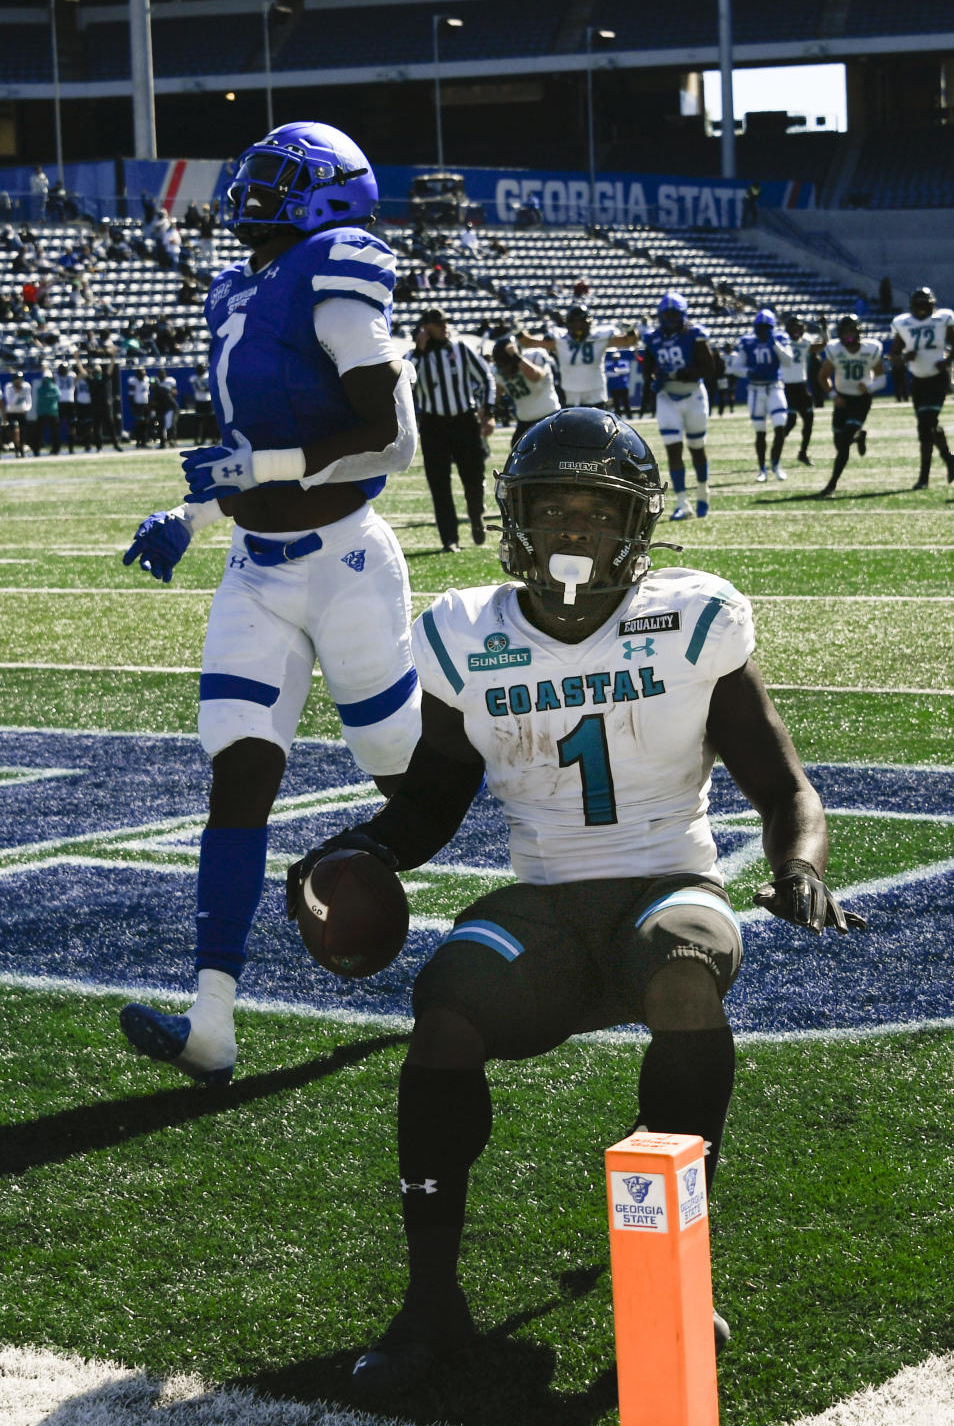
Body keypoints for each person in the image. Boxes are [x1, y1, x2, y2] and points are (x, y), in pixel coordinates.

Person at [286, 407, 865, 1399]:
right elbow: (430, 802)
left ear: (634, 524)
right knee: (445, 1011)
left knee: (684, 981)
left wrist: (801, 860)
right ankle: (432, 1303)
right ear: (514, 518)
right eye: (550, 508)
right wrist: (360, 849)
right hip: (545, 902)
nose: (571, 529)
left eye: (595, 510)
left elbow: (784, 787)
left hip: (669, 884)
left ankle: (683, 1273)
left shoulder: (691, 618)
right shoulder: (469, 634)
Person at [118, 120, 422, 1085]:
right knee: (239, 777)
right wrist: (191, 512)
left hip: (346, 564)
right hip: (256, 567)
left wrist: (272, 465)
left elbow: (393, 439)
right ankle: (213, 1020)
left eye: (281, 175)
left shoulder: (337, 268)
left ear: (334, 193)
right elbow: (242, 450)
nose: (255, 186)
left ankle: (522, 917)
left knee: (399, 770)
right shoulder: (236, 290)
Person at [406, 308, 496, 551]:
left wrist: (488, 412)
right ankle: (449, 539)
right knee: (439, 484)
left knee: (474, 478)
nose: (444, 326)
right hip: (433, 425)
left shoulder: (460, 348)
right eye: (438, 323)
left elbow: (486, 377)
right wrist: (418, 351)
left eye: (445, 322)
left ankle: (476, 515)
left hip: (464, 421)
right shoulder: (414, 357)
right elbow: (404, 384)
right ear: (425, 328)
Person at [642, 291, 714, 520]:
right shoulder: (653, 339)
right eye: (668, 314)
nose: (671, 319)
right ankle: (682, 502)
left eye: (675, 314)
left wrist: (680, 373)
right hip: (667, 398)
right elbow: (648, 369)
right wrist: (652, 383)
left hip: (693, 395)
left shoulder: (695, 334)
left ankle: (703, 491)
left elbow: (709, 367)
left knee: (696, 447)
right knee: (673, 448)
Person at [889, 286, 954, 490]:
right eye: (918, 306)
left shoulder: (942, 320)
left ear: (932, 306)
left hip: (937, 378)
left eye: (925, 306)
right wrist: (903, 357)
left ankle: (924, 478)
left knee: (925, 426)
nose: (921, 311)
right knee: (928, 424)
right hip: (918, 379)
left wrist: (947, 361)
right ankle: (948, 457)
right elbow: (894, 353)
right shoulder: (904, 324)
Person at [815, 315, 885, 498]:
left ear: (859, 332)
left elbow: (881, 378)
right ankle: (859, 437)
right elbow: (823, 376)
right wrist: (833, 394)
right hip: (842, 399)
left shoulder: (871, 348)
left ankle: (831, 484)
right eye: (845, 333)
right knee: (839, 442)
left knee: (844, 442)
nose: (848, 337)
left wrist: (869, 387)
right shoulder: (835, 349)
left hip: (861, 400)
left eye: (851, 332)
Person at [519, 306, 638, 408]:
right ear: (569, 323)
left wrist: (631, 331)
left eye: (581, 322)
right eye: (575, 322)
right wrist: (518, 332)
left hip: (595, 392)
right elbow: (528, 342)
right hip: (571, 393)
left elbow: (629, 341)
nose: (578, 326)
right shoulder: (559, 338)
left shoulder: (599, 336)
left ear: (589, 323)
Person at [730, 309, 793, 483]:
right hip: (755, 390)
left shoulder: (780, 338)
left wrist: (775, 345)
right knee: (760, 431)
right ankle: (762, 468)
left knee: (780, 426)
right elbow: (736, 368)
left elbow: (788, 361)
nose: (764, 330)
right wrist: (750, 372)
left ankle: (776, 463)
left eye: (767, 327)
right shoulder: (748, 341)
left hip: (775, 387)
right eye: (761, 326)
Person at [490, 333, 561, 447]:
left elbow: (535, 377)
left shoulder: (535, 355)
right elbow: (497, 393)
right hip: (524, 421)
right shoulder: (497, 370)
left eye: (506, 363)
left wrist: (516, 357)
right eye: (501, 364)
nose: (505, 368)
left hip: (549, 416)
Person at [780, 315, 826, 467]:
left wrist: (824, 329)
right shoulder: (782, 342)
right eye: (792, 328)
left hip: (802, 385)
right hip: (787, 386)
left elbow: (823, 344)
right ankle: (776, 449)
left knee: (809, 420)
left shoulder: (805, 342)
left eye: (798, 328)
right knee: (791, 422)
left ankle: (803, 452)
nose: (795, 331)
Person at [3, 370, 31, 456]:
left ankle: (21, 448)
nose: (19, 382)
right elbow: (10, 402)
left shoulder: (26, 386)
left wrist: (27, 408)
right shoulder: (9, 387)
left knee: (23, 432)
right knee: (15, 431)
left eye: (20, 379)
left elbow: (28, 400)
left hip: (22, 413)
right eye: (17, 379)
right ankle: (17, 449)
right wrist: (17, 392)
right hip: (12, 412)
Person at [35, 368, 61, 454]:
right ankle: (37, 449)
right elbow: (43, 398)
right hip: (42, 412)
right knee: (39, 432)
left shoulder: (54, 387)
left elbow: (57, 397)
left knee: (55, 432)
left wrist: (47, 397)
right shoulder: (40, 388)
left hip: (52, 412)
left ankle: (56, 449)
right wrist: (49, 397)